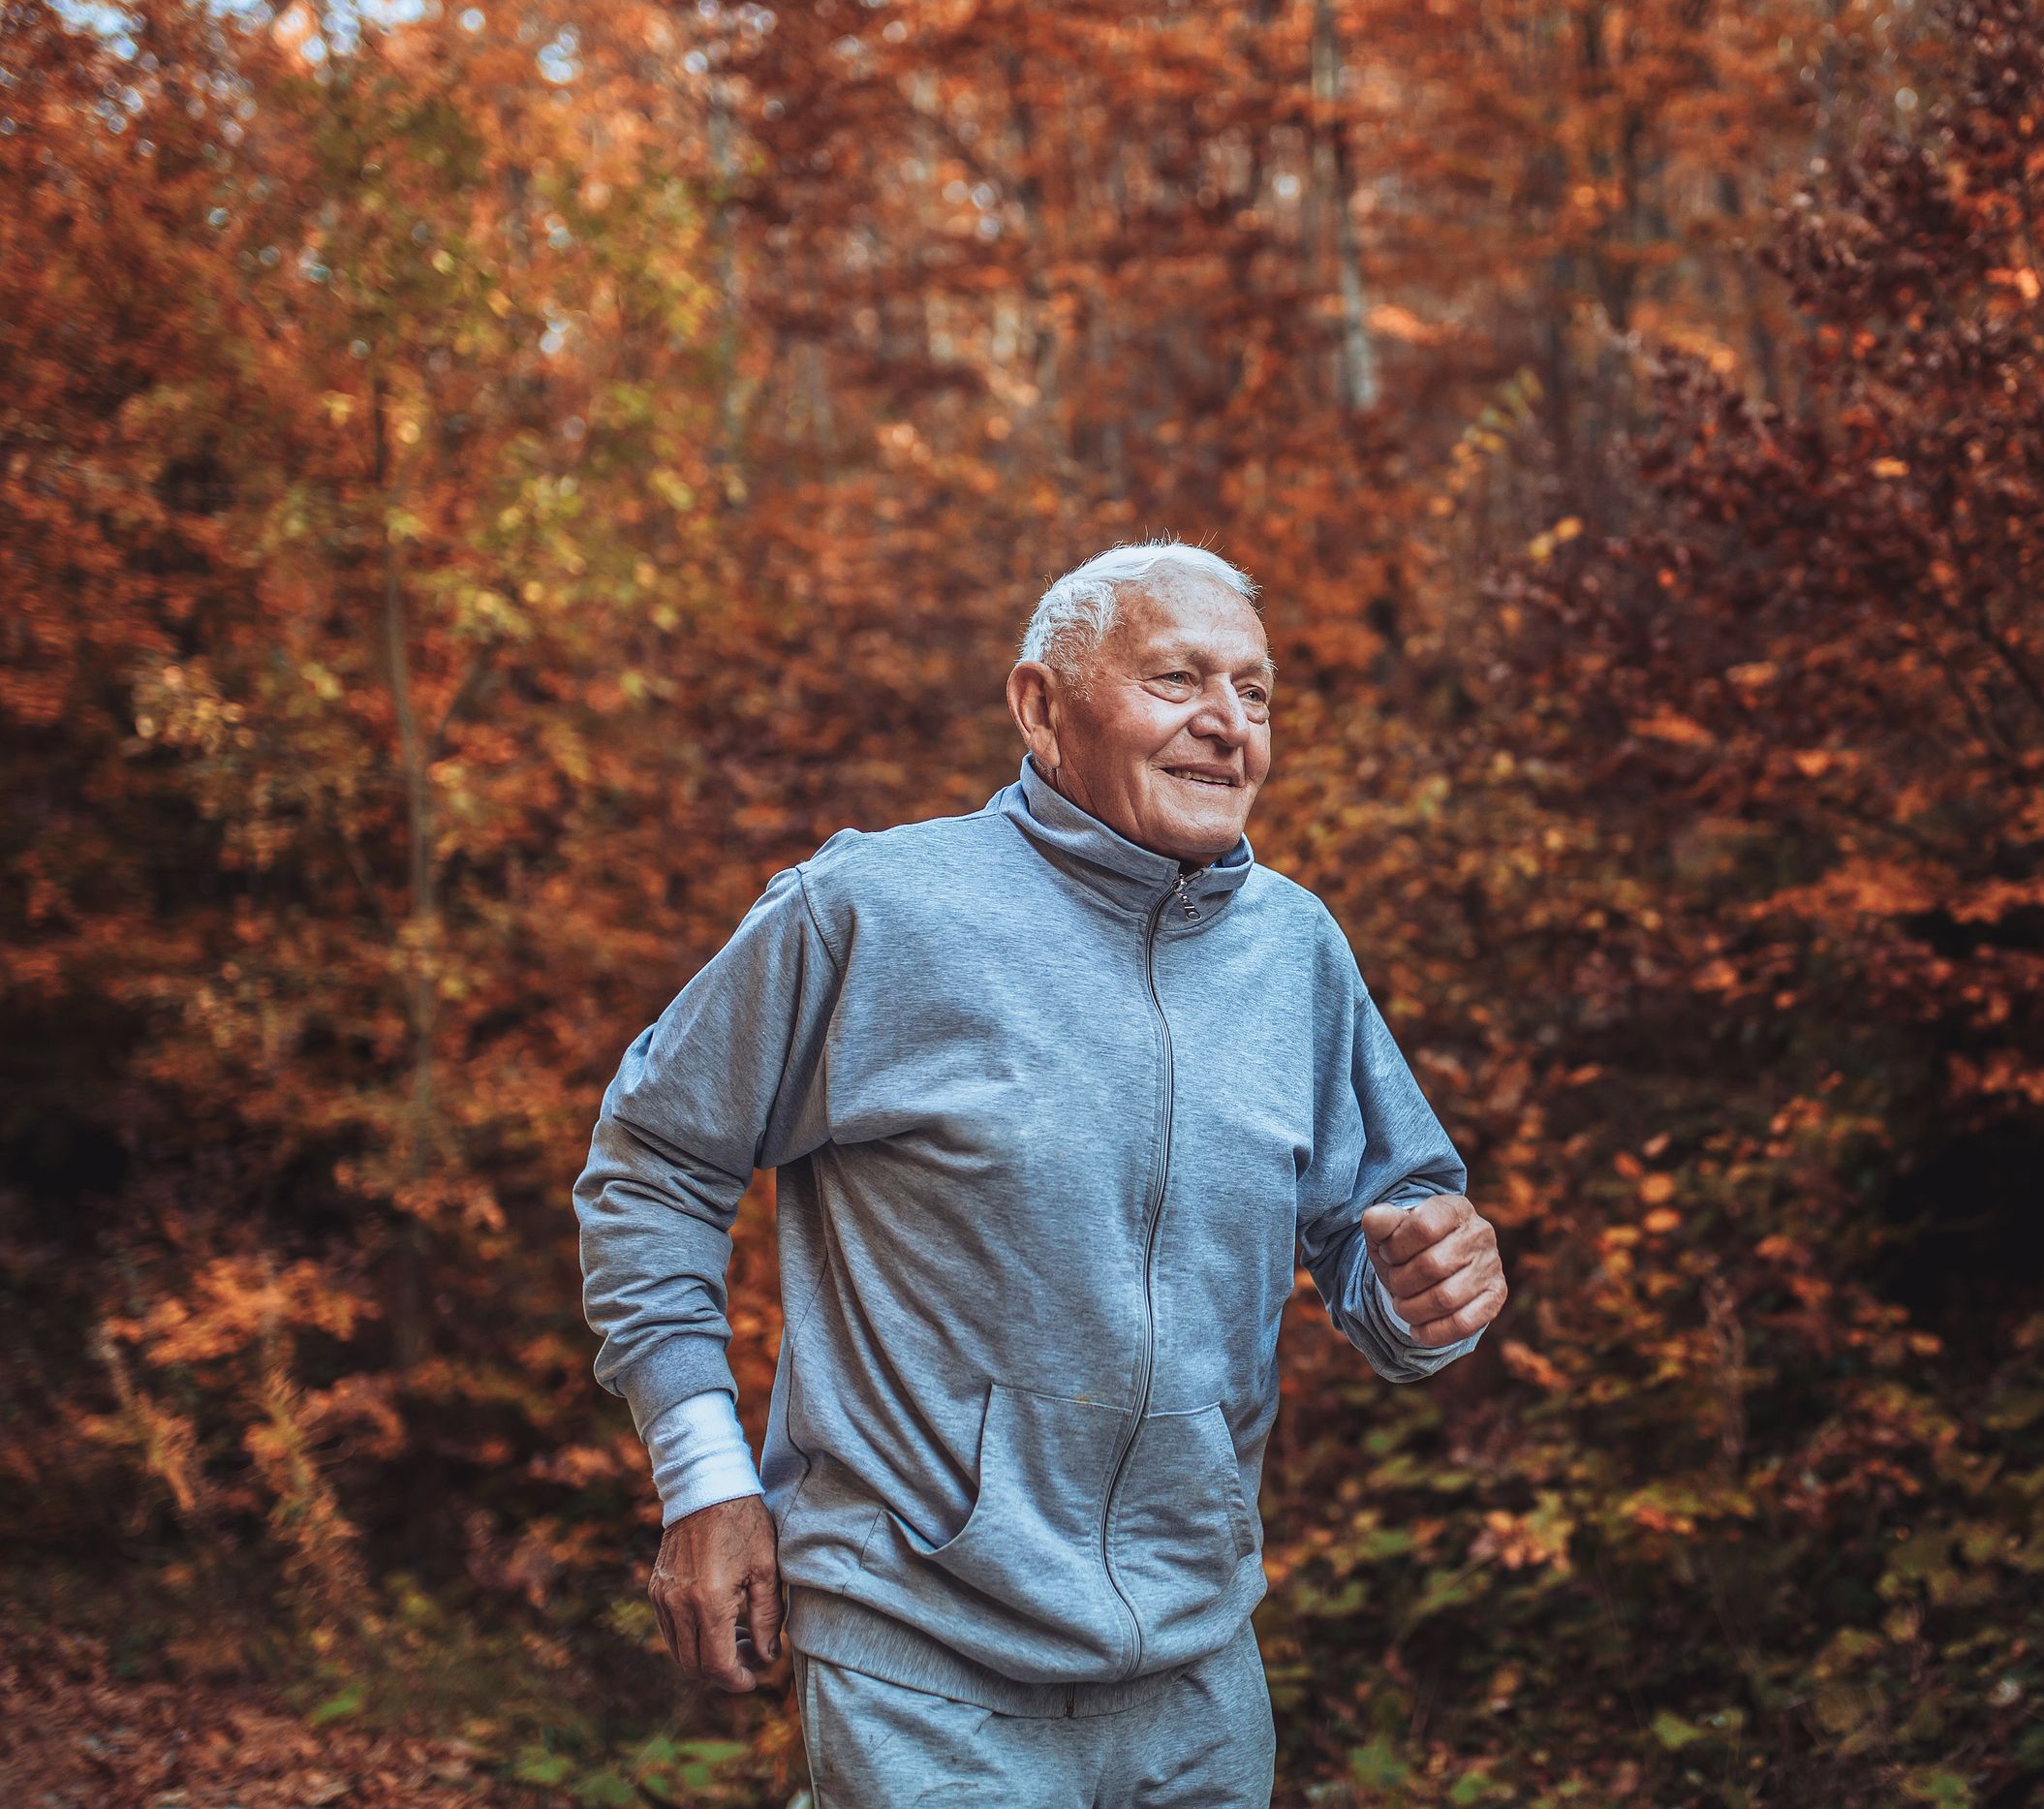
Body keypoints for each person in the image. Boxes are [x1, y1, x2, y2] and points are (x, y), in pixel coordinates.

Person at [573, 538, 1507, 1806]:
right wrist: (704, 1475)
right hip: (922, 1659)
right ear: (1042, 708)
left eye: (1257, 692)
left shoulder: (1296, 951)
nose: (1228, 726)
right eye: (1179, 680)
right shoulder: (873, 913)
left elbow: (1389, 1251)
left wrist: (1431, 1283)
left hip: (1201, 1672)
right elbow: (653, 1163)